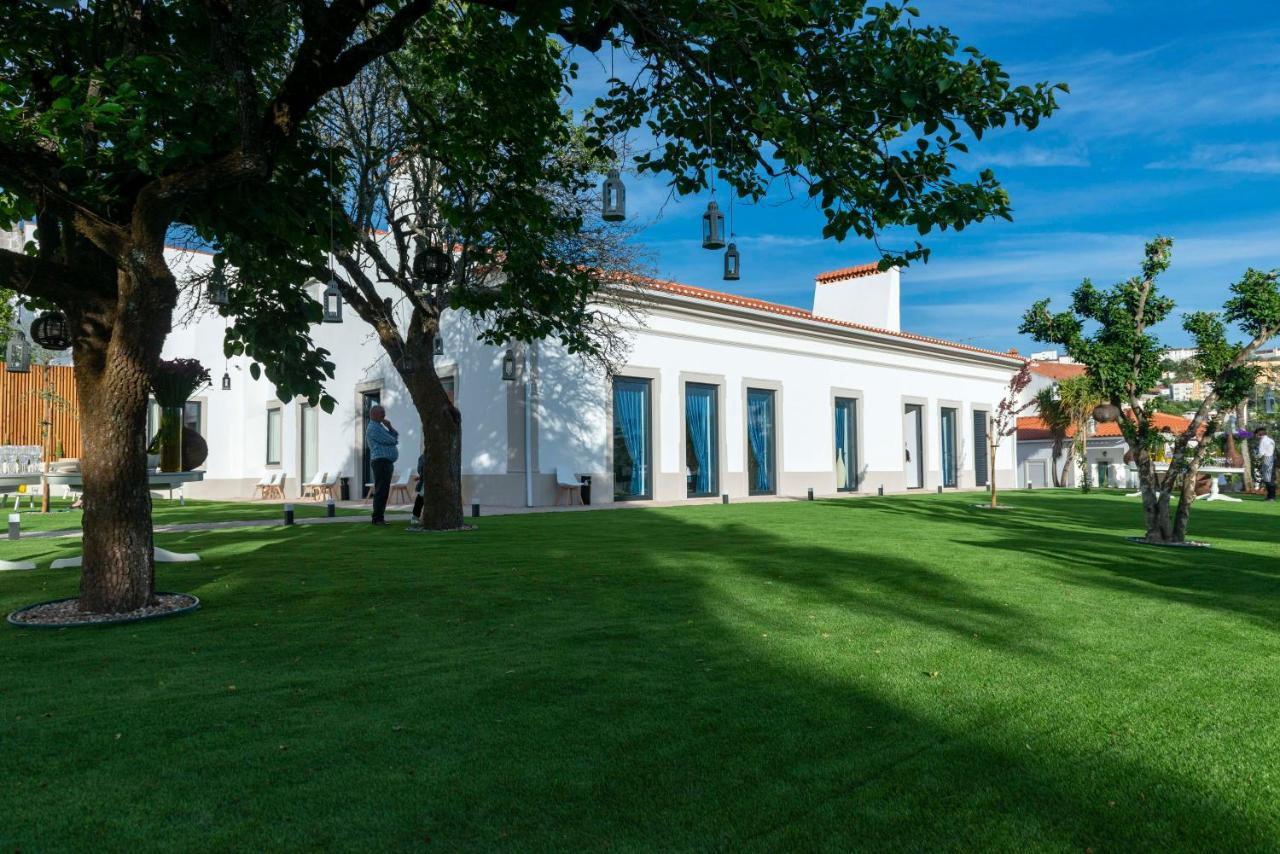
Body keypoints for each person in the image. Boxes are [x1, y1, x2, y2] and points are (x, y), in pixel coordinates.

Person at [365, 405, 399, 525]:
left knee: (383, 491)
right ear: (374, 414)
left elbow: (395, 436)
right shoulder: (374, 428)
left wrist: (389, 426)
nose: (384, 415)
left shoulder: (380, 426)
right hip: (381, 462)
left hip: (385, 462)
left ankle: (379, 518)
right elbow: (393, 440)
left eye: (384, 412)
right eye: (382, 413)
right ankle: (377, 518)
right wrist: (392, 434)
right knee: (381, 491)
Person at [1256, 427, 1276, 502]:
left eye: (1257, 434)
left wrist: (1256, 457)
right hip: (1272, 458)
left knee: (1268, 479)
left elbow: (1261, 453)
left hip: (1267, 459)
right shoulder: (1271, 440)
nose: (1256, 436)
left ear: (1259, 434)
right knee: (1271, 479)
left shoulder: (1263, 440)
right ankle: (1270, 496)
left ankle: (1271, 497)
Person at [408, 449, 425, 531]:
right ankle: (415, 517)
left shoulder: (422, 457)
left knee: (421, 498)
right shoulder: (423, 458)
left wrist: (421, 477)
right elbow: (423, 472)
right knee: (421, 498)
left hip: (426, 482)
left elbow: (421, 471)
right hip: (426, 483)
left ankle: (415, 517)